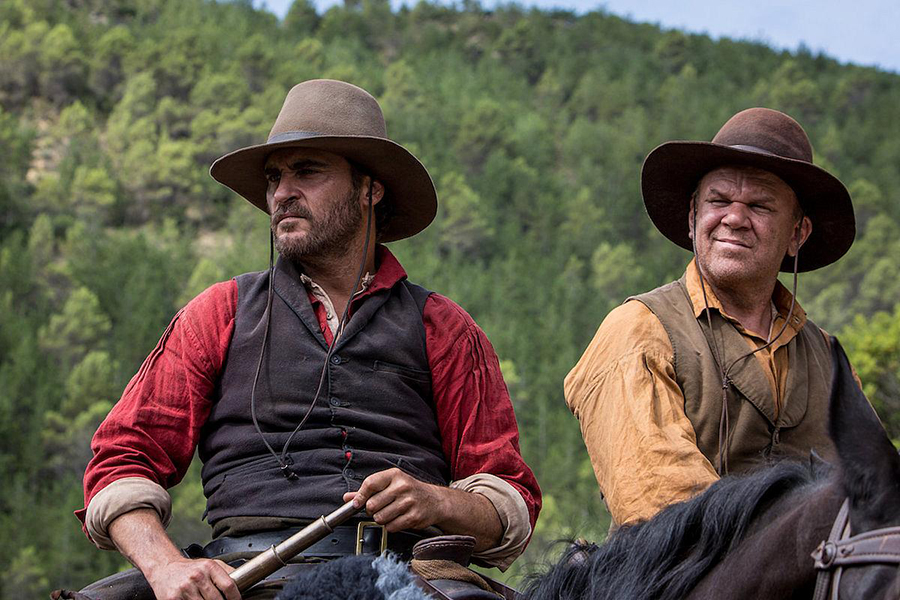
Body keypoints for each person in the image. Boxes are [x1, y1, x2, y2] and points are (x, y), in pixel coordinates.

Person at [76, 79, 540, 599]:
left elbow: (509, 505)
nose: (281, 193)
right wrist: (165, 567)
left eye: (308, 171)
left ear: (370, 189)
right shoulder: (218, 312)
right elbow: (122, 460)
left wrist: (439, 501)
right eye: (275, 177)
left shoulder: (445, 326)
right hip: (247, 579)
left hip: (408, 580)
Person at [564, 107, 857, 527]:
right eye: (718, 201)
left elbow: (871, 491)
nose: (734, 218)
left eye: (759, 205)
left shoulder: (829, 358)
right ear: (693, 218)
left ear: (797, 234)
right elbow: (664, 511)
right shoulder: (639, 331)